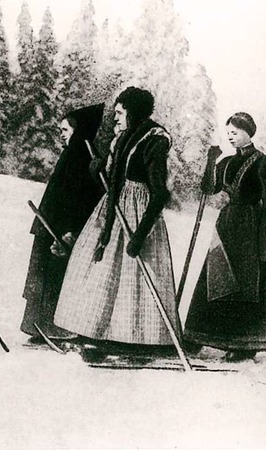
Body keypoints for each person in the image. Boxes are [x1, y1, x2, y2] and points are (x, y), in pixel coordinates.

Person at [53, 87, 180, 361]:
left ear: (133, 112)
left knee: (130, 282)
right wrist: (101, 165)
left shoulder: (154, 141)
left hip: (137, 214)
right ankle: (91, 331)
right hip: (114, 207)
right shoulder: (121, 140)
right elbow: (115, 173)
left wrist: (139, 236)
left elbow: (160, 194)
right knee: (94, 268)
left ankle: (133, 341)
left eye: (120, 114)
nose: (115, 120)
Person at [184, 113, 266, 362]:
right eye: (229, 133)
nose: (230, 136)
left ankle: (245, 344)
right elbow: (208, 189)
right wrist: (211, 161)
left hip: (252, 227)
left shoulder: (263, 162)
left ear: (248, 132)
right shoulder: (225, 162)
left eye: (235, 132)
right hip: (228, 226)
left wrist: (264, 238)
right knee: (217, 276)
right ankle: (200, 335)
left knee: (246, 283)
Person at [21, 104, 105, 342]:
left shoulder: (82, 158)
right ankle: (39, 327)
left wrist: (71, 231)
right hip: (52, 226)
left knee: (56, 276)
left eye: (66, 130)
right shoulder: (71, 154)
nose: (62, 134)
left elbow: (82, 200)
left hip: (64, 231)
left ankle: (53, 328)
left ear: (79, 131)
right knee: (45, 276)